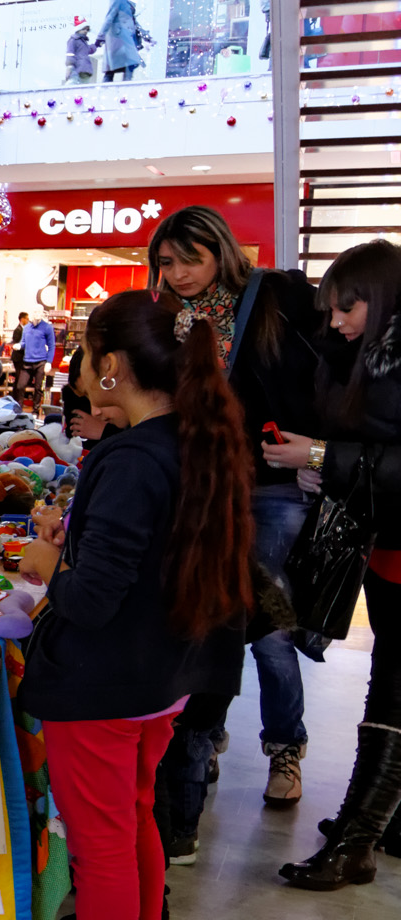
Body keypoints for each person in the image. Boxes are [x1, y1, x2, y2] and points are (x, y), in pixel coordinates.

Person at [4, 290, 250, 920]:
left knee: (100, 843)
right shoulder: (193, 441)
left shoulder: (134, 460)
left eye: (84, 357)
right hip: (159, 680)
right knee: (134, 819)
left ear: (109, 368)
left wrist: (46, 565)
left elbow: (96, 594)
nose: (80, 370)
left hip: (103, 685)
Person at [146, 206, 323, 849]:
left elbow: (318, 371)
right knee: (202, 614)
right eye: (167, 262)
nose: (179, 273)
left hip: (272, 486)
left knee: (269, 626)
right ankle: (204, 734)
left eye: (191, 259)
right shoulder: (166, 318)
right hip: (200, 490)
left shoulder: (270, 299)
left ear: (220, 252)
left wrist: (320, 446)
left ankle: (284, 747)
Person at [269, 240, 401, 890]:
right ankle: (364, 826)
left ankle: (356, 841)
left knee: (392, 697)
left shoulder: (392, 358)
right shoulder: (370, 356)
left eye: (344, 306)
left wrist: (319, 457)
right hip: (386, 546)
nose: (337, 320)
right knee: (387, 688)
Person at [100, 0, 147, 80]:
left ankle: (124, 86)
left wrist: (147, 36)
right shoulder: (118, 2)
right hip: (119, 41)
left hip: (125, 42)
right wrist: (100, 36)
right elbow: (109, 18)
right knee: (114, 69)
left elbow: (136, 24)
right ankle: (121, 87)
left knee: (128, 66)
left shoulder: (128, 8)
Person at [21, 307, 57, 405]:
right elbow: (23, 342)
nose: (37, 314)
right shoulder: (27, 328)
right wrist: (19, 345)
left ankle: (35, 410)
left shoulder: (47, 327)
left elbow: (51, 345)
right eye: (35, 311)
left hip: (41, 361)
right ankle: (18, 409)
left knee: (38, 387)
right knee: (20, 386)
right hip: (27, 361)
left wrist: (49, 362)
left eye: (39, 312)